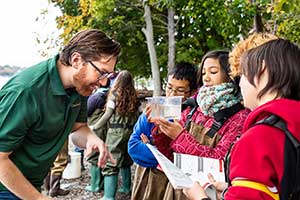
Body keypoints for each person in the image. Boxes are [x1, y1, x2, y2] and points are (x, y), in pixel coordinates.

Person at [0, 29, 120, 200]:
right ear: (76, 60)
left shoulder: (80, 88)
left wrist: (92, 139)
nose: (103, 82)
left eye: (108, 75)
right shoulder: (25, 91)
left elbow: (78, 128)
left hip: (31, 182)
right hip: (5, 186)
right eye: (101, 72)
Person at [184, 38, 300, 200]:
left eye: (243, 75)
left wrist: (199, 197)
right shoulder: (291, 123)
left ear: (262, 71)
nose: (240, 84)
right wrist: (231, 190)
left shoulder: (259, 137)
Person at [154, 50, 249, 200]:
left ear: (230, 74)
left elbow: (220, 160)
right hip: (178, 190)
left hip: (208, 193)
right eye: (204, 72)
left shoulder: (239, 117)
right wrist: (160, 132)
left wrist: (180, 137)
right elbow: (170, 154)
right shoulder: (194, 106)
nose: (206, 77)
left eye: (213, 71)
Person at [128, 62, 198, 200]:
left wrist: (151, 145)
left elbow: (187, 159)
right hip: (150, 180)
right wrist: (167, 155)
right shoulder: (153, 111)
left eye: (180, 90)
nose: (171, 94)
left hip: (177, 189)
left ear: (193, 92)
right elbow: (133, 148)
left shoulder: (194, 119)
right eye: (169, 87)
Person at [90, 70, 140, 200]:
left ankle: (109, 196)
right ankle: (126, 188)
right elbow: (138, 115)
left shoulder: (114, 95)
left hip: (115, 132)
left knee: (111, 163)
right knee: (126, 161)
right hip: (130, 131)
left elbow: (108, 114)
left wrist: (95, 127)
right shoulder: (135, 97)